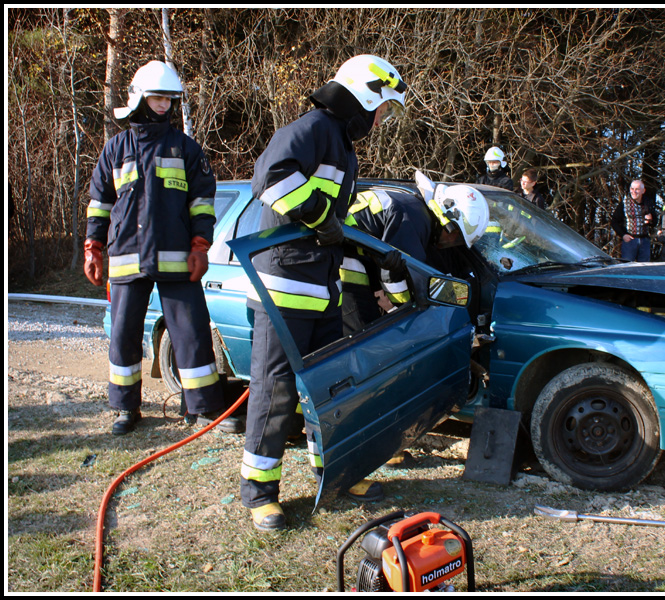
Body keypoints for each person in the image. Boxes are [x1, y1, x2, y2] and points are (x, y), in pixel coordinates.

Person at [241, 54, 408, 532]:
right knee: (275, 393)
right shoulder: (313, 128)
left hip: (323, 290)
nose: (381, 121)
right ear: (364, 95)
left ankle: (336, 471)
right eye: (383, 108)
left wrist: (376, 251)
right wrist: (321, 217)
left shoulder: (344, 150)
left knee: (329, 391)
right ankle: (260, 494)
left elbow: (341, 221)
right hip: (284, 289)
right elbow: (270, 177)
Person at [85, 60, 240, 436]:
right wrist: (94, 244)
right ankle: (125, 409)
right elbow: (99, 202)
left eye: (169, 99)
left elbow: (203, 201)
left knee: (190, 333)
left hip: (176, 258)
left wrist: (201, 244)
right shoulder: (115, 149)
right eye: (157, 98)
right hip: (125, 258)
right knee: (123, 335)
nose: (163, 105)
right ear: (139, 98)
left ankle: (202, 409)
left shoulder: (185, 149)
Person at [341, 176, 490, 331]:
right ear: (448, 221)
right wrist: (409, 309)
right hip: (342, 251)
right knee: (362, 334)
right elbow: (392, 276)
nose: (452, 242)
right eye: (457, 236)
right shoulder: (414, 220)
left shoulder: (416, 211)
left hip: (345, 246)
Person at [611, 180, 655, 262]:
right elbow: (614, 222)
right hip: (630, 241)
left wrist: (650, 220)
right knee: (627, 267)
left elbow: (655, 222)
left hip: (644, 240)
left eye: (637, 189)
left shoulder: (648, 203)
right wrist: (623, 235)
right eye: (632, 188)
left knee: (644, 269)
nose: (634, 191)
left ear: (643, 191)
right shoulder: (624, 203)